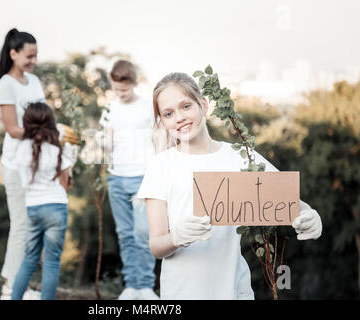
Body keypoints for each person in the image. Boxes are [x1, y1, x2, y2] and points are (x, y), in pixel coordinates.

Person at [136, 72, 323, 299]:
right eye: (168, 113)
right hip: (180, 293)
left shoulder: (240, 157)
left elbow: (288, 201)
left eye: (186, 106)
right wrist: (177, 236)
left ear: (203, 105)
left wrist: (310, 215)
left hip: (234, 291)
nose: (179, 117)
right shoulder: (160, 166)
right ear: (163, 121)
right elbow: (156, 245)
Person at [98, 60, 159, 300]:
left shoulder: (148, 107)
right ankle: (131, 285)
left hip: (143, 176)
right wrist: (102, 143)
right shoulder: (110, 108)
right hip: (116, 178)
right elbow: (106, 141)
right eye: (115, 89)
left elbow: (159, 139)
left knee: (143, 233)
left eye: (124, 89)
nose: (120, 94)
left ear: (134, 83)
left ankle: (145, 285)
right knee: (124, 234)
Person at [0, 28, 45, 300]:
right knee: (21, 225)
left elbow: (45, 115)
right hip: (15, 164)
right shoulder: (6, 84)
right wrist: (44, 131)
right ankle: (9, 289)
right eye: (29, 55)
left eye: (36, 56)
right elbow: (13, 129)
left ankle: (21, 285)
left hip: (36, 163)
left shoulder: (34, 81)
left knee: (33, 224)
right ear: (13, 54)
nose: (33, 61)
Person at [11, 102, 72, 300]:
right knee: (52, 262)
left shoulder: (20, 150)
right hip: (56, 208)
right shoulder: (56, 149)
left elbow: (24, 182)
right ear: (51, 123)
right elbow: (66, 184)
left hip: (33, 209)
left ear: (27, 123)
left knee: (29, 260)